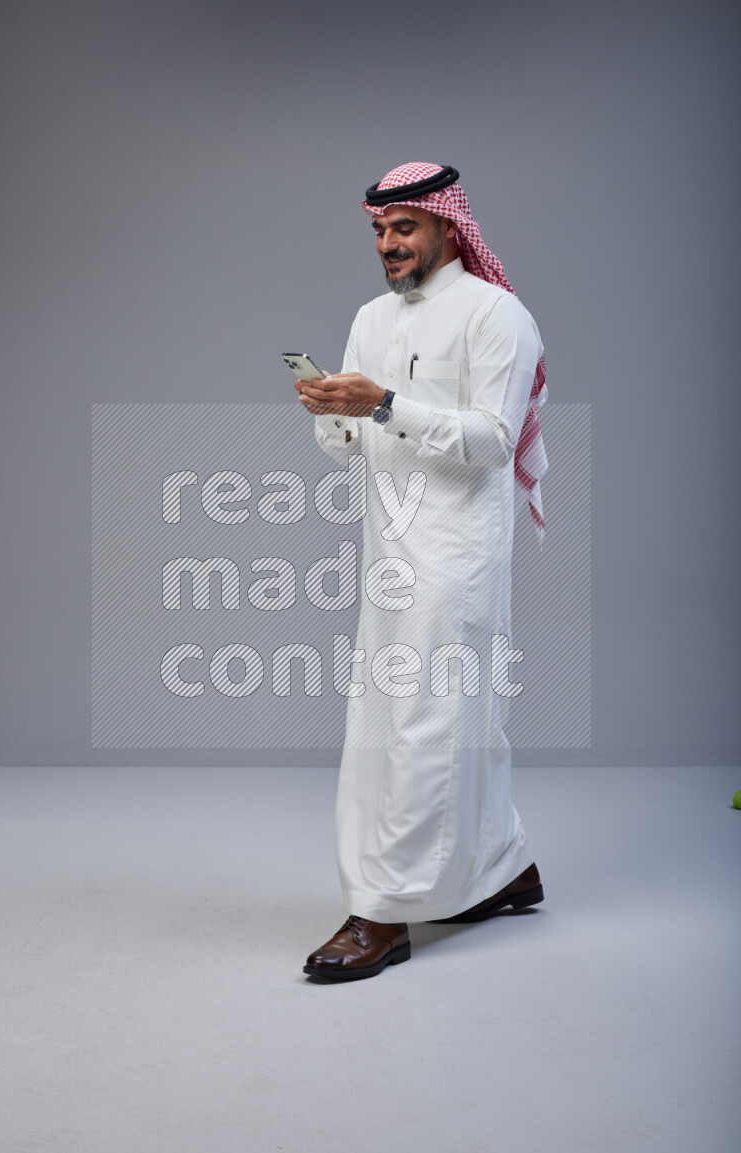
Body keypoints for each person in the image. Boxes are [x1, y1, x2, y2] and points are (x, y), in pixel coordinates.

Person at [296, 163, 548, 982]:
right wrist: (331, 411)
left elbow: (491, 439)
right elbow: (352, 440)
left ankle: (384, 912)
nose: (388, 244)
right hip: (390, 558)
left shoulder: (497, 315)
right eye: (378, 230)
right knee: (401, 718)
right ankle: (503, 867)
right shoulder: (371, 317)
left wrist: (380, 404)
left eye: (404, 227)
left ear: (447, 226)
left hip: (459, 556)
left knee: (427, 724)